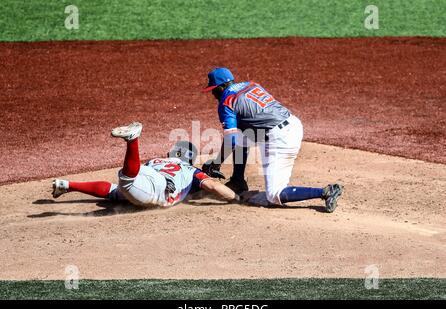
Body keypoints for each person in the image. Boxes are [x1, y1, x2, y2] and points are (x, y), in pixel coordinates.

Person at [201, 67, 343, 212]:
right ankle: (238, 181)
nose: (213, 93)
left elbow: (230, 140)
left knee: (274, 195)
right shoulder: (251, 85)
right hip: (293, 124)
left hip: (279, 138)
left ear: (223, 86)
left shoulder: (227, 101)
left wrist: (217, 163)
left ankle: (325, 192)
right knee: (242, 134)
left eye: (214, 89)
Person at [52, 122, 240, 207]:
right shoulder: (191, 170)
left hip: (146, 172)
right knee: (127, 182)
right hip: (157, 188)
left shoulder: (157, 160)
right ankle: (132, 140)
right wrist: (236, 199)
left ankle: (68, 185)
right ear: (189, 160)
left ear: (170, 154)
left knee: (117, 191)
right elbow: (212, 185)